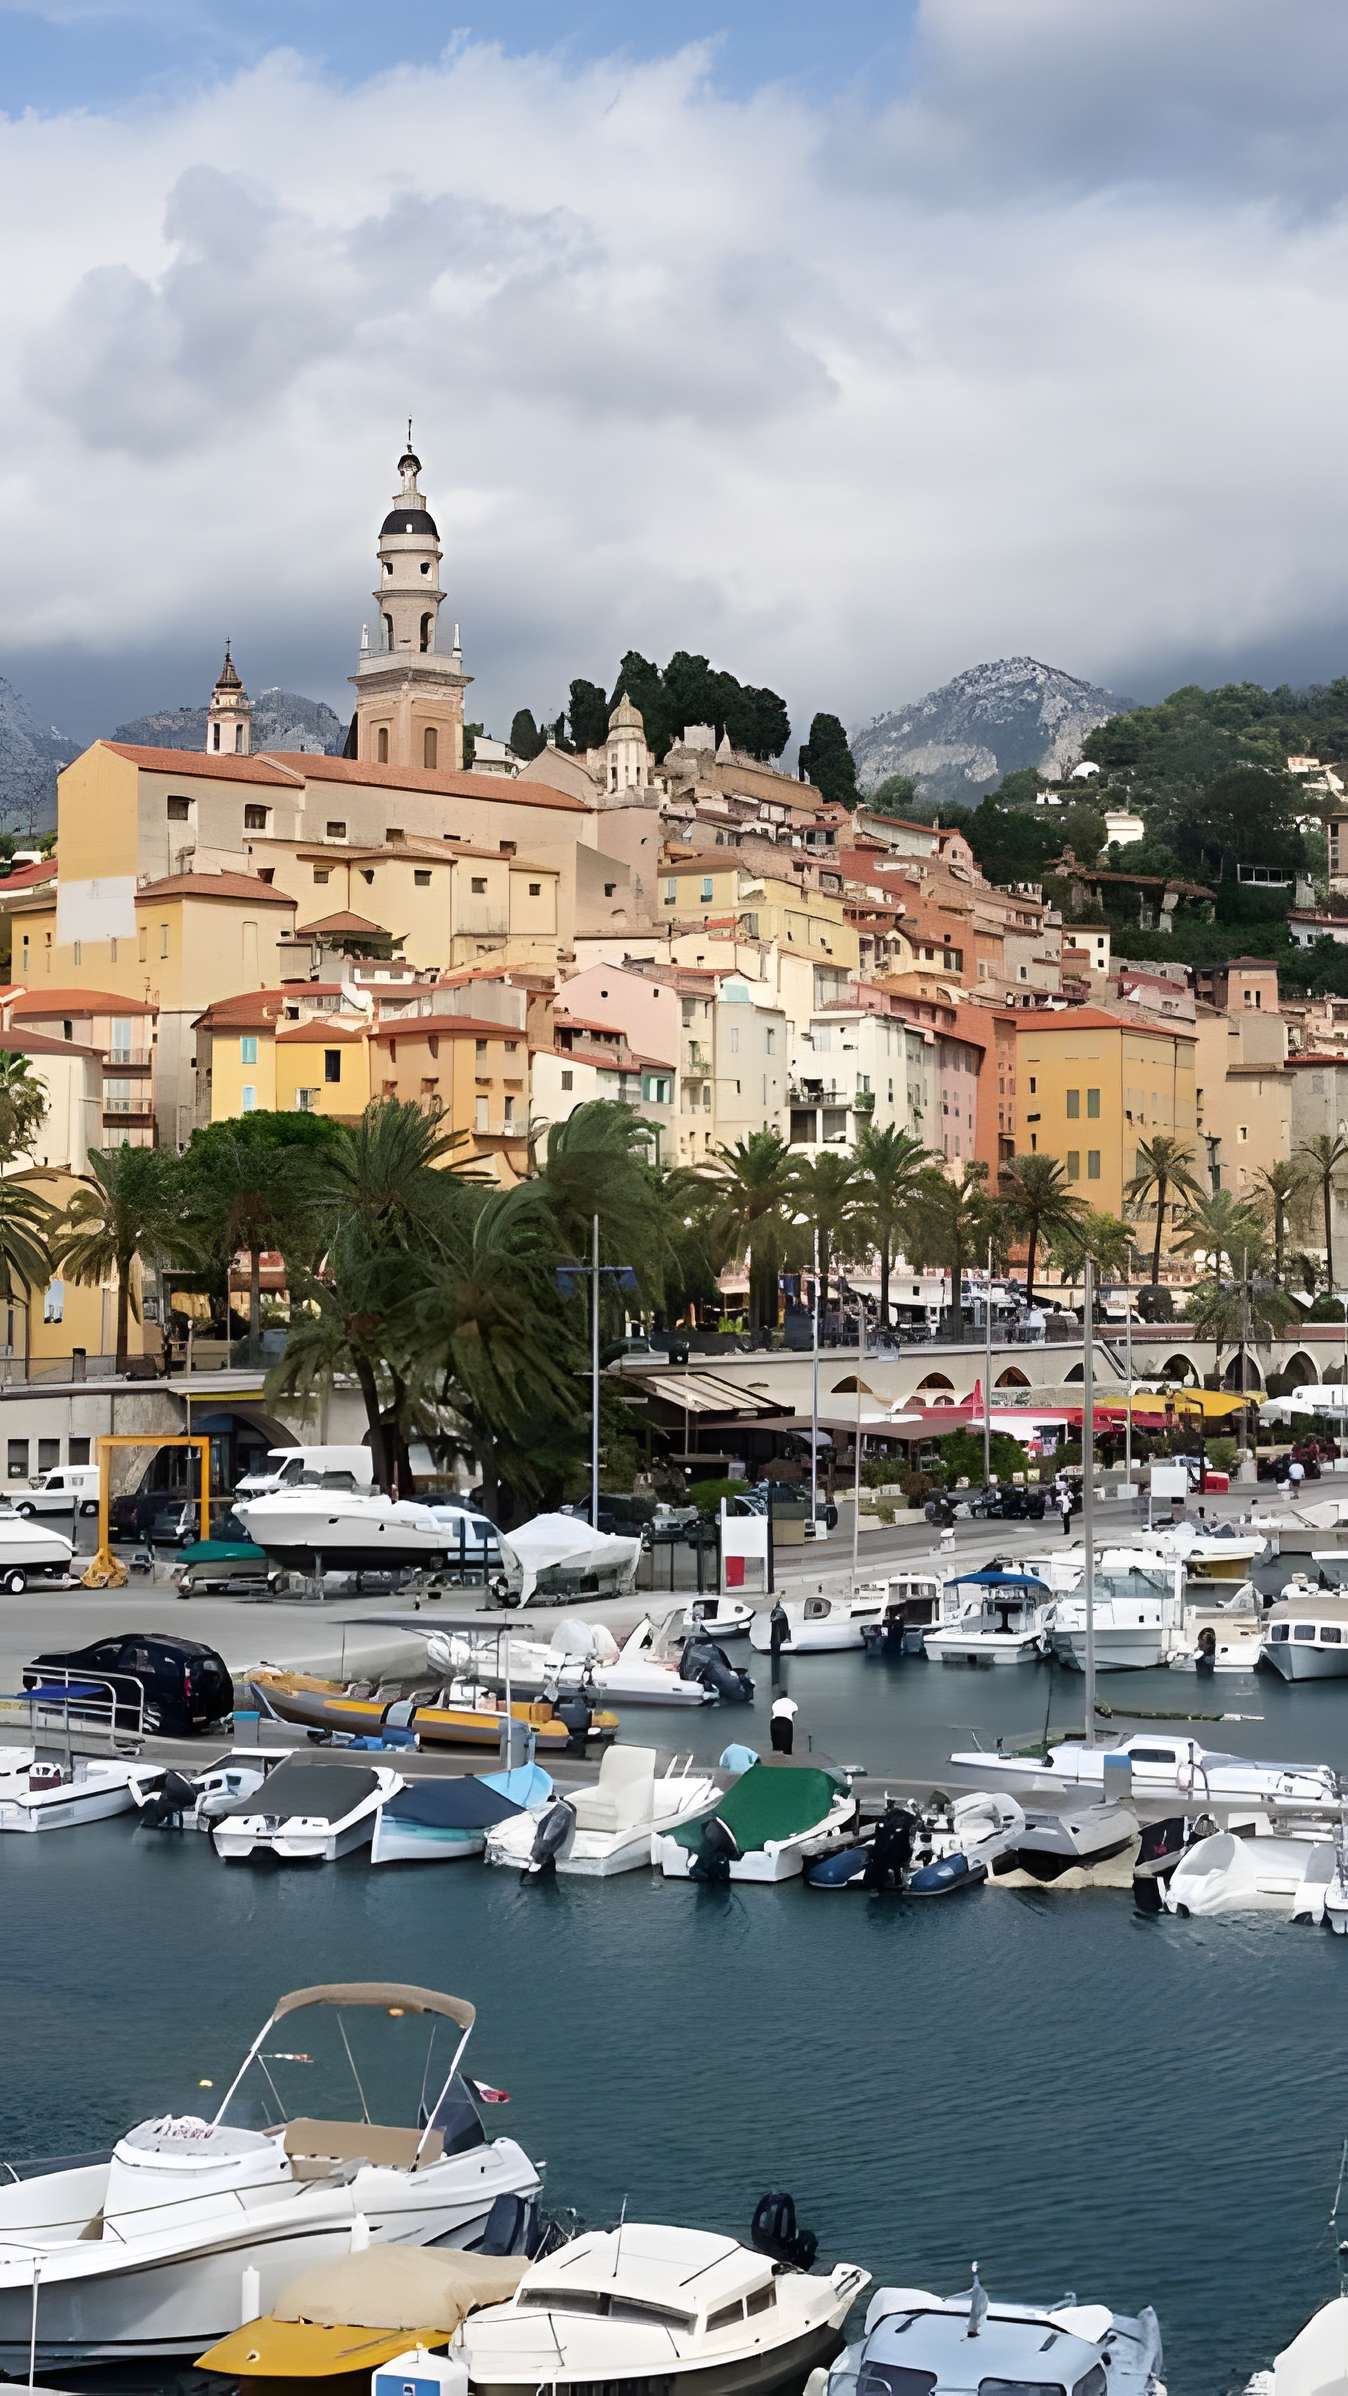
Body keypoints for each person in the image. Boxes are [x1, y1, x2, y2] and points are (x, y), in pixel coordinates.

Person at [769, 1690, 798, 1755]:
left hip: (774, 1722)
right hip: (786, 1722)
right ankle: (787, 1757)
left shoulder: (776, 1702)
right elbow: (794, 1711)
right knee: (787, 1743)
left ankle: (776, 1757)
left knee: (775, 1742)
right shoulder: (791, 1702)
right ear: (786, 1695)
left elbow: (773, 1712)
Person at [768, 1598, 790, 1665]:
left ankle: (781, 1641)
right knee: (778, 1636)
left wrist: (773, 1618)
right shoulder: (779, 1610)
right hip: (780, 1622)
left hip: (779, 1622)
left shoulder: (778, 1610)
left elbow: (774, 1617)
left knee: (777, 1636)